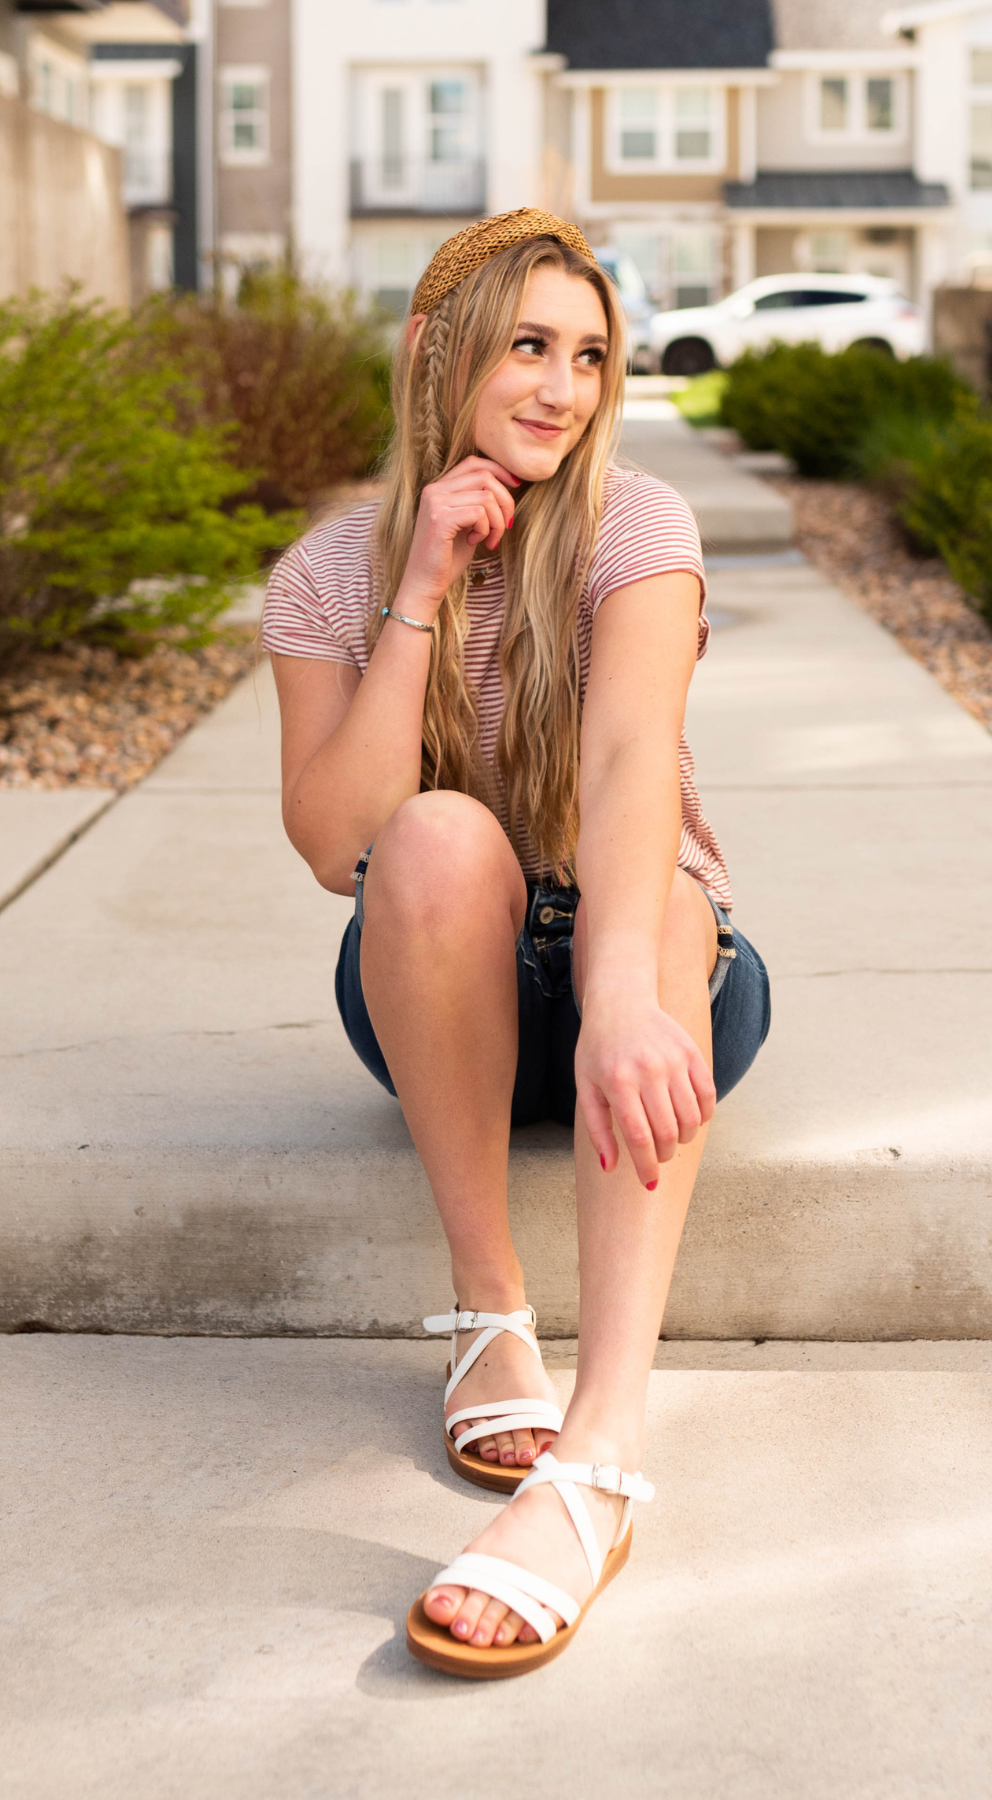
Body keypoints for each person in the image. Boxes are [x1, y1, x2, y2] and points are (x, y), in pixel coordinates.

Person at [264, 208, 770, 1678]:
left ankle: (597, 1459)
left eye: (590, 356)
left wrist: (617, 986)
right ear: (437, 355)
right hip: (437, 991)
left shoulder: (635, 524)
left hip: (656, 994)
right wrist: (416, 591)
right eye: (528, 348)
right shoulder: (320, 576)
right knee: (428, 833)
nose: (562, 387)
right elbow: (330, 847)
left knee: (662, 894)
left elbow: (628, 773)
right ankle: (489, 1309)